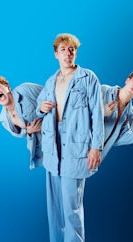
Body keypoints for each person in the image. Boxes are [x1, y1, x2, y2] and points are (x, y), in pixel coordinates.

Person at [36, 33, 104, 242]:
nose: (68, 53)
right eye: (63, 50)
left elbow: (97, 113)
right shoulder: (50, 81)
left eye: (72, 49)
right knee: (55, 210)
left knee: (71, 208)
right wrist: (41, 108)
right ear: (56, 54)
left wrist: (96, 147)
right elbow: (39, 110)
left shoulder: (88, 78)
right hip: (52, 148)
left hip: (75, 147)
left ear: (76, 53)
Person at [0, 76, 43, 169]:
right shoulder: (5, 120)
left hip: (62, 132)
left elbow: (51, 94)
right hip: (46, 149)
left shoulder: (25, 89)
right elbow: (22, 134)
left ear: (8, 88)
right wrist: (28, 131)